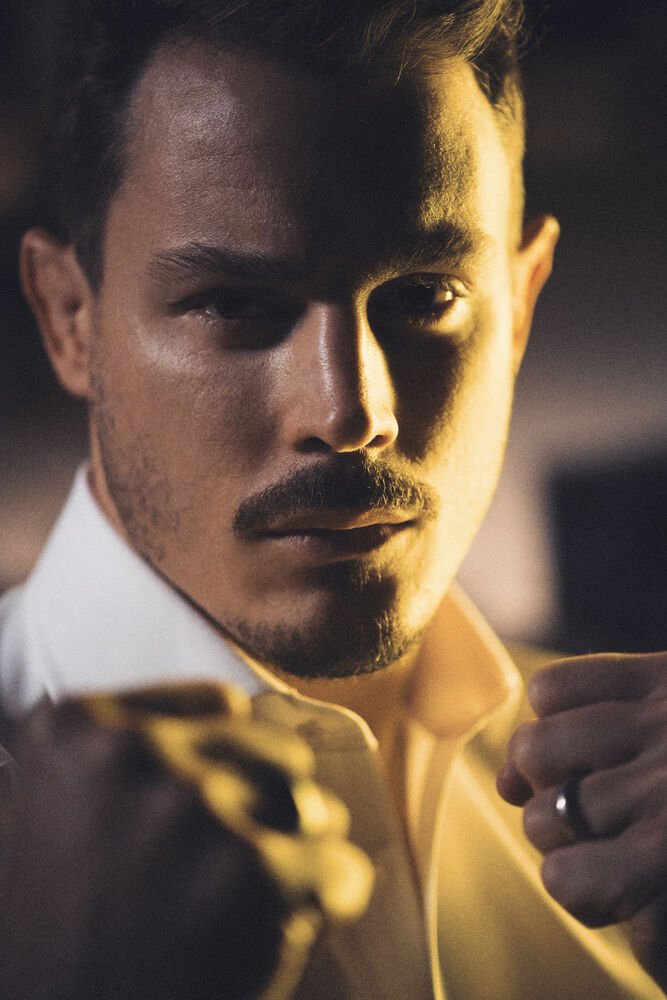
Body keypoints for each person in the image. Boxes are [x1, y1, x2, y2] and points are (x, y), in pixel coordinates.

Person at [0, 0, 665, 997]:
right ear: (68, 320)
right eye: (234, 303)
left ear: (520, 305)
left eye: (425, 297)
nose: (350, 412)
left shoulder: (627, 812)